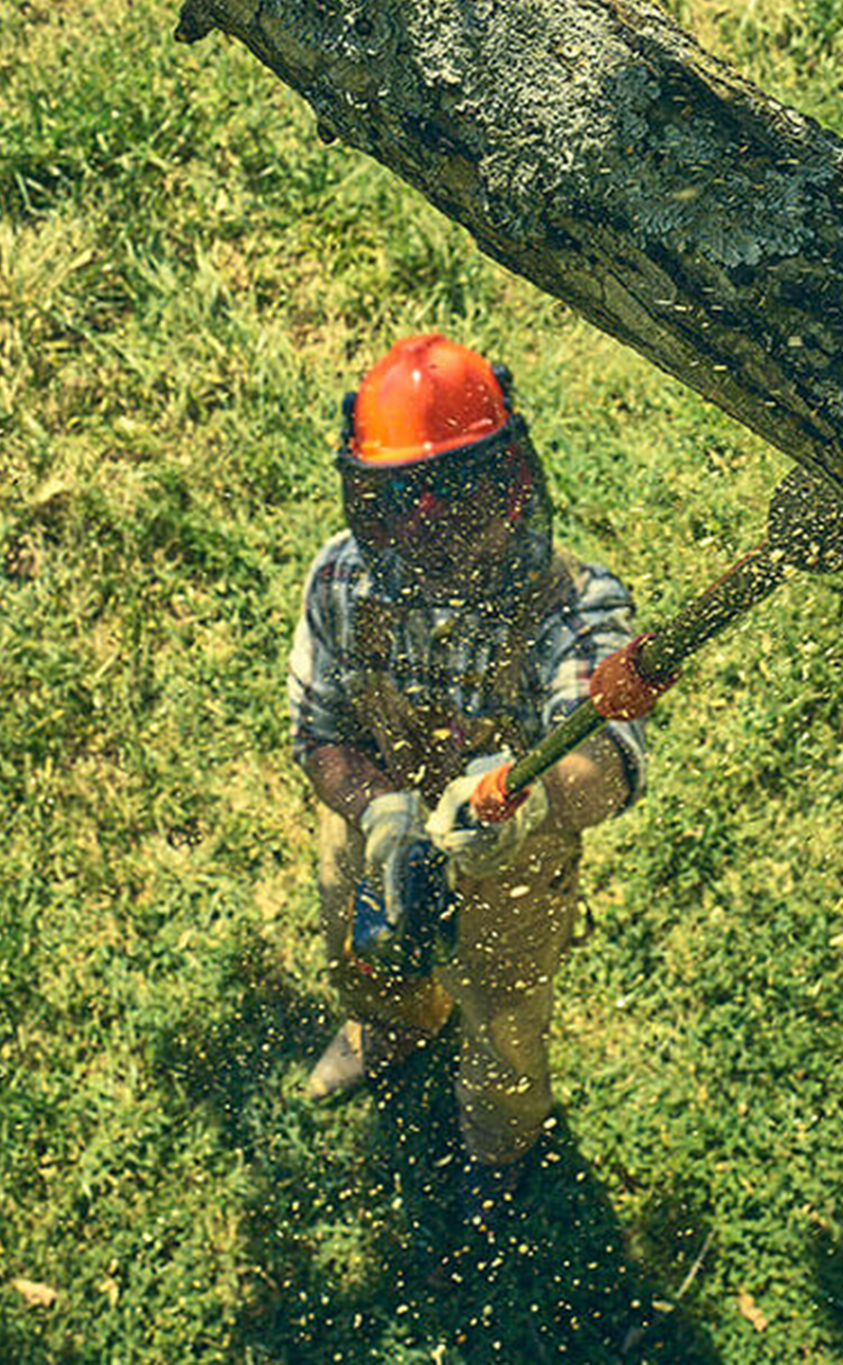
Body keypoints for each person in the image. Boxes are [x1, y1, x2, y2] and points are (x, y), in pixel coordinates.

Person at [286, 333, 645, 1235]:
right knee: (361, 946)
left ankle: (499, 1144)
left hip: (512, 874)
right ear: (374, 505)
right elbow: (319, 733)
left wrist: (531, 806)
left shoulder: (577, 607)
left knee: (506, 1021)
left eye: (469, 496)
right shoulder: (340, 581)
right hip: (375, 838)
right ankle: (391, 1028)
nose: (445, 530)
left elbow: (610, 765)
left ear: (514, 476)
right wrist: (380, 812)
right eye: (414, 506)